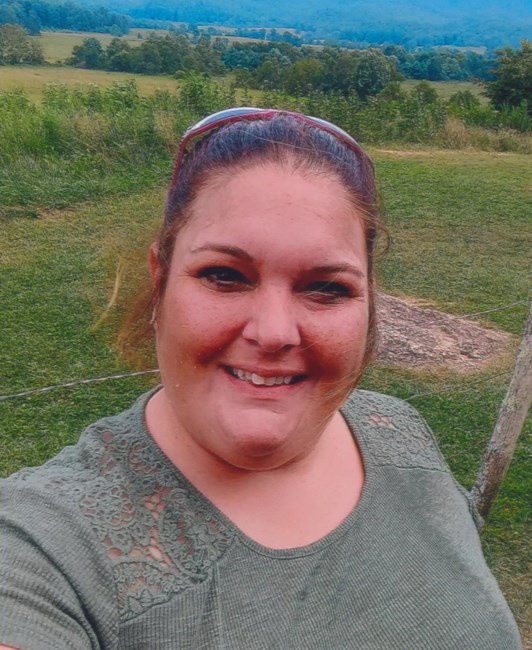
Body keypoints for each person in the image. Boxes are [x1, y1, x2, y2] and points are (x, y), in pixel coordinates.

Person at [0, 107, 521, 649]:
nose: (274, 332)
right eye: (224, 275)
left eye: (327, 287)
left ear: (368, 302)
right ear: (160, 283)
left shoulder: (399, 430)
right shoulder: (40, 548)